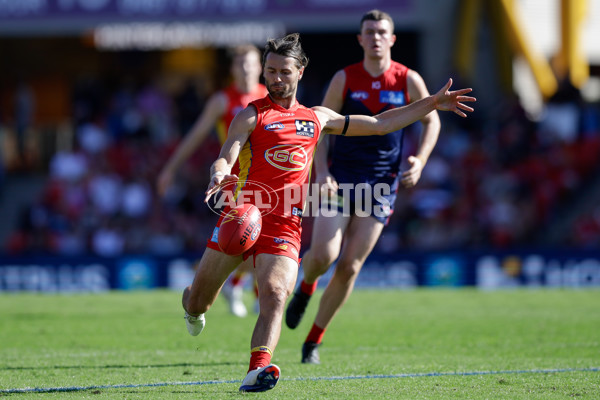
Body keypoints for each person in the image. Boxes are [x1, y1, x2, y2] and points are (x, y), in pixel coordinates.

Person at [181, 32, 474, 393]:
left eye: (283, 71)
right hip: (242, 215)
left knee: (274, 294)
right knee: (199, 301)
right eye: (270, 71)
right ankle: (192, 306)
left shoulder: (317, 119)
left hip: (285, 224)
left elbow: (381, 123)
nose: (274, 78)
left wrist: (429, 103)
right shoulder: (252, 114)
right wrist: (219, 174)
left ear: (300, 72)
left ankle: (257, 369)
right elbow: (226, 154)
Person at [284, 9, 444, 364]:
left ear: (392, 39)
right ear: (359, 39)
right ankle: (307, 285)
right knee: (324, 256)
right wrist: (321, 171)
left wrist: (420, 159)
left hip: (382, 184)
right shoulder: (345, 78)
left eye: (381, 31)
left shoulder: (407, 79)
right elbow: (319, 126)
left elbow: (431, 121)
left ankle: (313, 341)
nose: (375, 37)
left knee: (350, 266)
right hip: (340, 179)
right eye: (368, 31)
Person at [157, 44, 268, 318]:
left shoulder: (269, 96)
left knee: (260, 240)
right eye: (240, 63)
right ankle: (244, 291)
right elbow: (194, 136)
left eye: (250, 63)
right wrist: (170, 169)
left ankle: (239, 286)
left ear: (259, 67)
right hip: (236, 181)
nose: (245, 68)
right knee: (247, 239)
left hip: (267, 179)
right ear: (232, 68)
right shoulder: (222, 100)